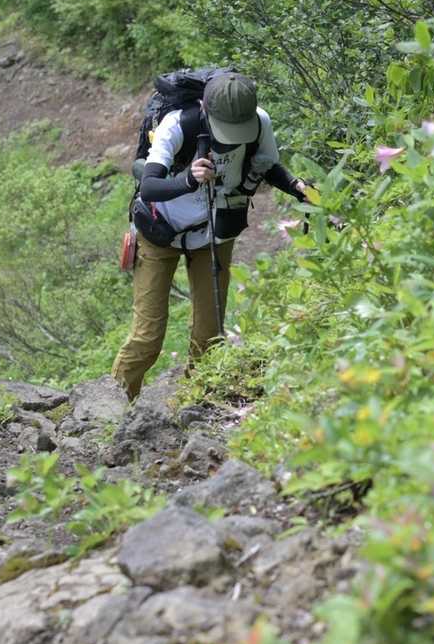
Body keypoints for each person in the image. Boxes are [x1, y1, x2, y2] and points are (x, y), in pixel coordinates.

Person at [112, 70, 308, 400]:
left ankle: (195, 404)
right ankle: (109, 408)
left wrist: (296, 186)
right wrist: (188, 179)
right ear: (205, 109)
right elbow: (149, 186)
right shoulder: (178, 125)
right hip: (160, 231)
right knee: (147, 339)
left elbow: (267, 165)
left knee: (209, 335)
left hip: (214, 233)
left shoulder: (258, 121)